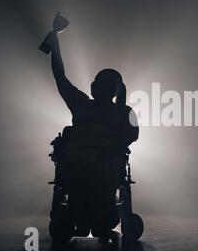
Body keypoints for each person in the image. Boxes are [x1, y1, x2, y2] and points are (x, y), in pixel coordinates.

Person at [45, 18, 139, 237]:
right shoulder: (81, 103)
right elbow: (60, 77)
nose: (98, 84)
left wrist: (111, 149)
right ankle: (85, 214)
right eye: (98, 79)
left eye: (105, 82)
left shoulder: (124, 112)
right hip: (76, 158)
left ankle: (93, 214)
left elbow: (132, 134)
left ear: (114, 90)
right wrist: (54, 42)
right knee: (77, 172)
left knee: (92, 176)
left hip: (105, 158)